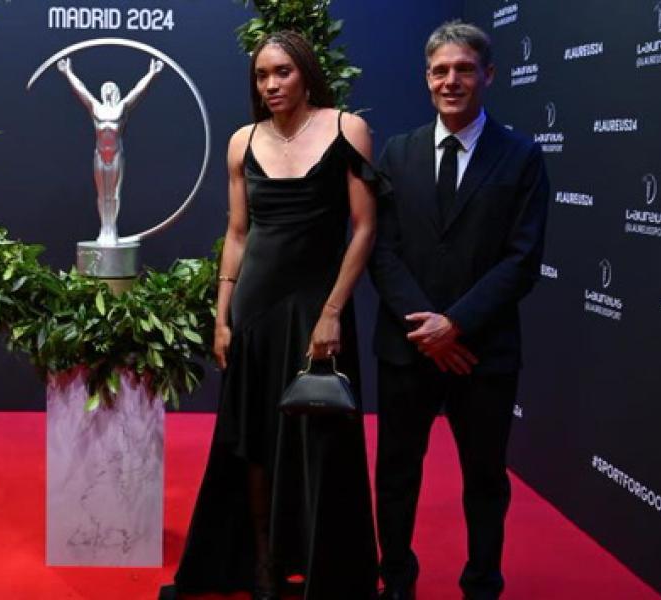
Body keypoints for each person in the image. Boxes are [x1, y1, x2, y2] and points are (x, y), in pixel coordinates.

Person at [161, 31, 381, 600]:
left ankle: (317, 562)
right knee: (253, 440)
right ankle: (262, 562)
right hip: (256, 308)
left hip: (317, 309)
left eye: (282, 72)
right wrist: (222, 316)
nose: (271, 84)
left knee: (318, 439)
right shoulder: (242, 142)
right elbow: (237, 234)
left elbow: (364, 229)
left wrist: (333, 311)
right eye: (261, 75)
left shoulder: (345, 129)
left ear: (305, 73)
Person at [369, 21, 549, 600]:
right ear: (426, 78)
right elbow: (381, 249)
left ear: (488, 75)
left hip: (482, 350)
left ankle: (482, 584)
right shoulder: (396, 153)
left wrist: (457, 324)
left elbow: (522, 260)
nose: (452, 80)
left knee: (486, 480)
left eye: (464, 69)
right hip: (408, 345)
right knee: (396, 474)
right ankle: (396, 579)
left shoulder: (521, 157)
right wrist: (428, 327)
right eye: (441, 70)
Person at [56, 56, 162, 245]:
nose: (108, 92)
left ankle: (111, 228)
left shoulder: (122, 107)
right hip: (100, 155)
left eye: (111, 89)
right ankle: (103, 228)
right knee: (102, 194)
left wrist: (151, 74)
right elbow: (82, 90)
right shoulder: (95, 107)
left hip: (115, 155)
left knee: (113, 194)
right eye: (105, 89)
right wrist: (67, 72)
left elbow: (137, 91)